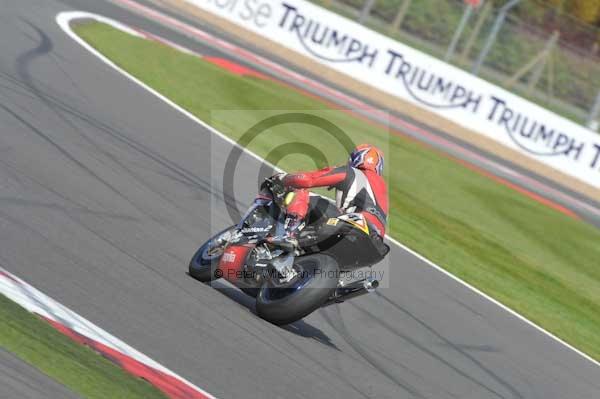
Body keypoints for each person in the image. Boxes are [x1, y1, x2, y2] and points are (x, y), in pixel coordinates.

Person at [262, 144, 388, 251]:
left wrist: (283, 178)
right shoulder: (383, 189)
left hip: (354, 225)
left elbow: (308, 180)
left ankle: (288, 234)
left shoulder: (351, 172)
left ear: (355, 158)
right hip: (376, 245)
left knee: (301, 192)